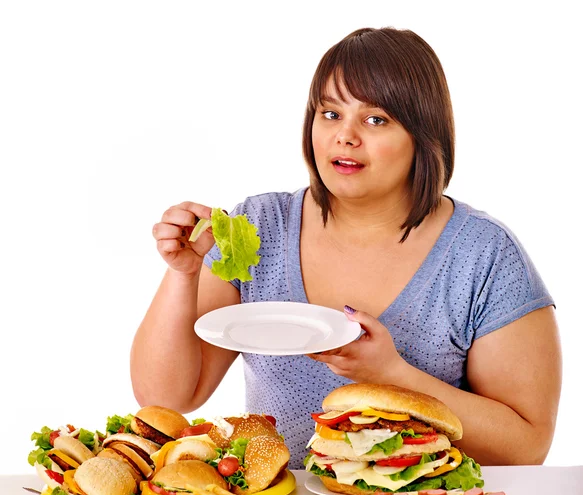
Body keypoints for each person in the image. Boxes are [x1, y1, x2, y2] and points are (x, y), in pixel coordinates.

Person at [130, 26, 561, 469]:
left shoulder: (483, 254)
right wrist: (183, 273)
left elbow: (526, 447)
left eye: (376, 119)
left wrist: (393, 375)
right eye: (330, 113)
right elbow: (167, 397)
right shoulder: (259, 227)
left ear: (424, 135)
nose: (345, 136)